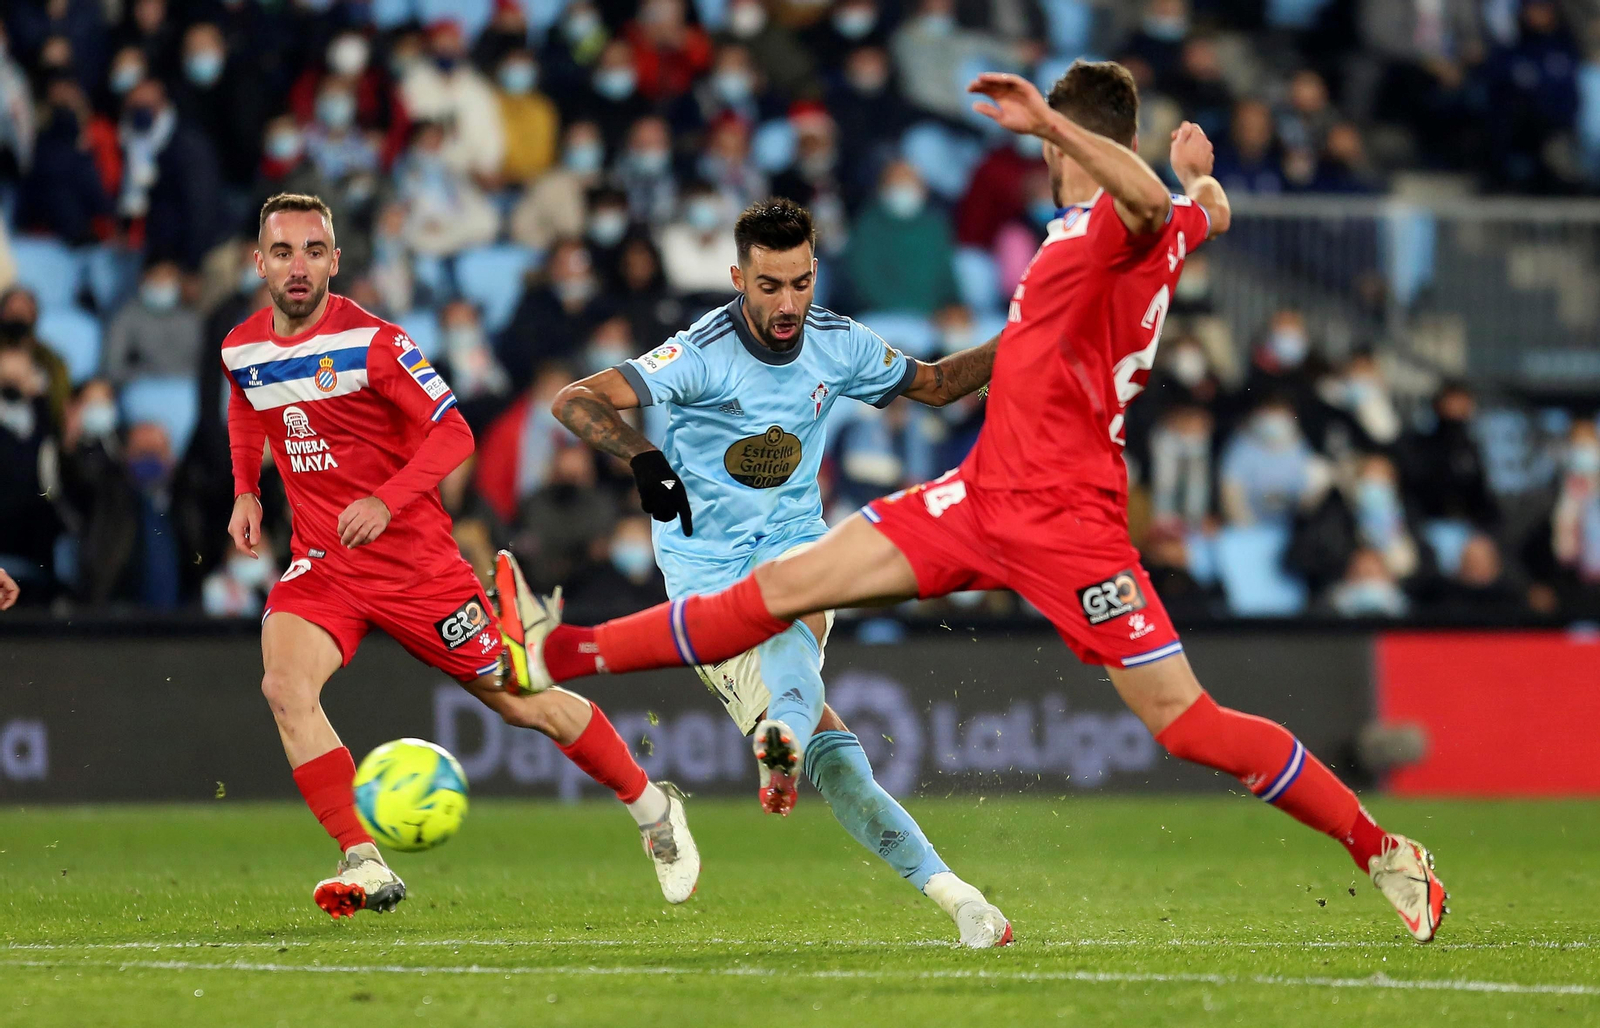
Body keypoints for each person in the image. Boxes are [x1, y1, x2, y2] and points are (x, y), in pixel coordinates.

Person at [512, 65, 1449, 945]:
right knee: (779, 593)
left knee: (1187, 723)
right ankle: (564, 649)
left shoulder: (1115, 223)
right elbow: (1203, 212)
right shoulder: (1146, 228)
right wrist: (1201, 180)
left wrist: (1075, 135)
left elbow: (1152, 205)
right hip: (978, 495)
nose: (1041, 155)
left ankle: (1385, 853)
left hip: (1071, 522)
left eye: (1050, 142)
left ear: (1073, 145)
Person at [536, 197, 1012, 949]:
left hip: (790, 539)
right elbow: (575, 399)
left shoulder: (837, 342)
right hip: (706, 577)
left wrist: (1027, 334)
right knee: (841, 767)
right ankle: (940, 881)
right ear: (738, 279)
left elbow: (939, 384)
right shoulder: (700, 352)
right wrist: (644, 457)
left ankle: (954, 895)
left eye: (800, 283)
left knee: (798, 606)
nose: (788, 303)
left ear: (815, 272)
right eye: (769, 286)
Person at [223, 193, 698, 920]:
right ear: (259, 263)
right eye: (283, 252)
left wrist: (386, 500)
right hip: (325, 564)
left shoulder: (376, 343)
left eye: (313, 251)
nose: (298, 267)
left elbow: (454, 433)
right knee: (285, 687)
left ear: (335, 261)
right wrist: (245, 490)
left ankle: (652, 806)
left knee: (521, 702)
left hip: (418, 569)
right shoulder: (241, 347)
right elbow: (247, 402)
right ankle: (363, 858)